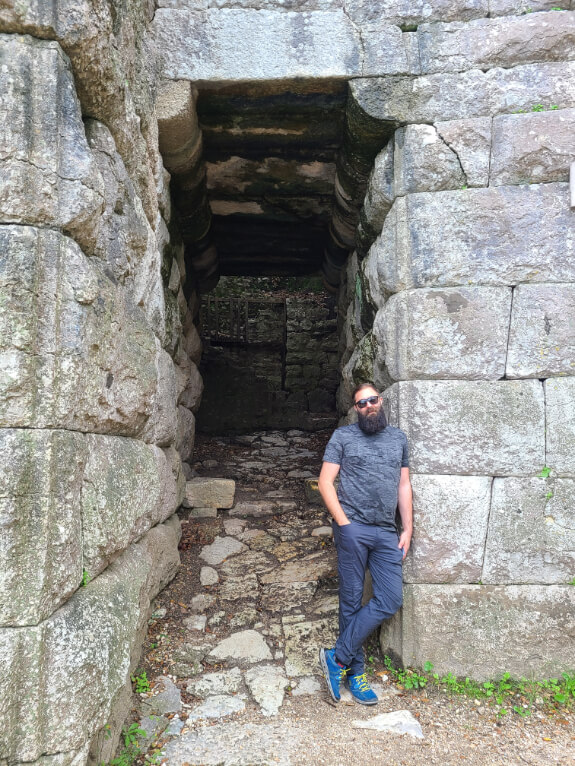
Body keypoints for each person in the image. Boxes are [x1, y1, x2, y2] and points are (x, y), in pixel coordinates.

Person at [318, 381, 413, 705]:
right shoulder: (343, 437)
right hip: (353, 529)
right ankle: (355, 674)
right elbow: (325, 481)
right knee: (351, 600)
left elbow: (403, 486)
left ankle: (337, 657)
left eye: (372, 400)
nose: (368, 406)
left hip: (387, 532)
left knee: (390, 598)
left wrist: (408, 528)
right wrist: (344, 524)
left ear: (381, 401)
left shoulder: (398, 438)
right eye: (361, 403)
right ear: (355, 409)